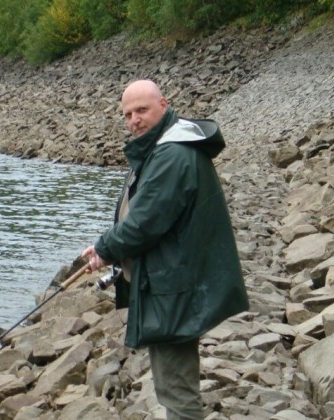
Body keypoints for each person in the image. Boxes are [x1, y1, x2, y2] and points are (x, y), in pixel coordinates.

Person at [81, 80, 249, 419]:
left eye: (142, 110)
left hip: (174, 285)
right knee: (174, 383)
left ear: (163, 104)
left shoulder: (172, 153)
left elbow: (145, 222)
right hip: (175, 278)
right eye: (127, 114)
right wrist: (108, 248)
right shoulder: (166, 145)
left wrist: (104, 248)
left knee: (175, 390)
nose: (134, 120)